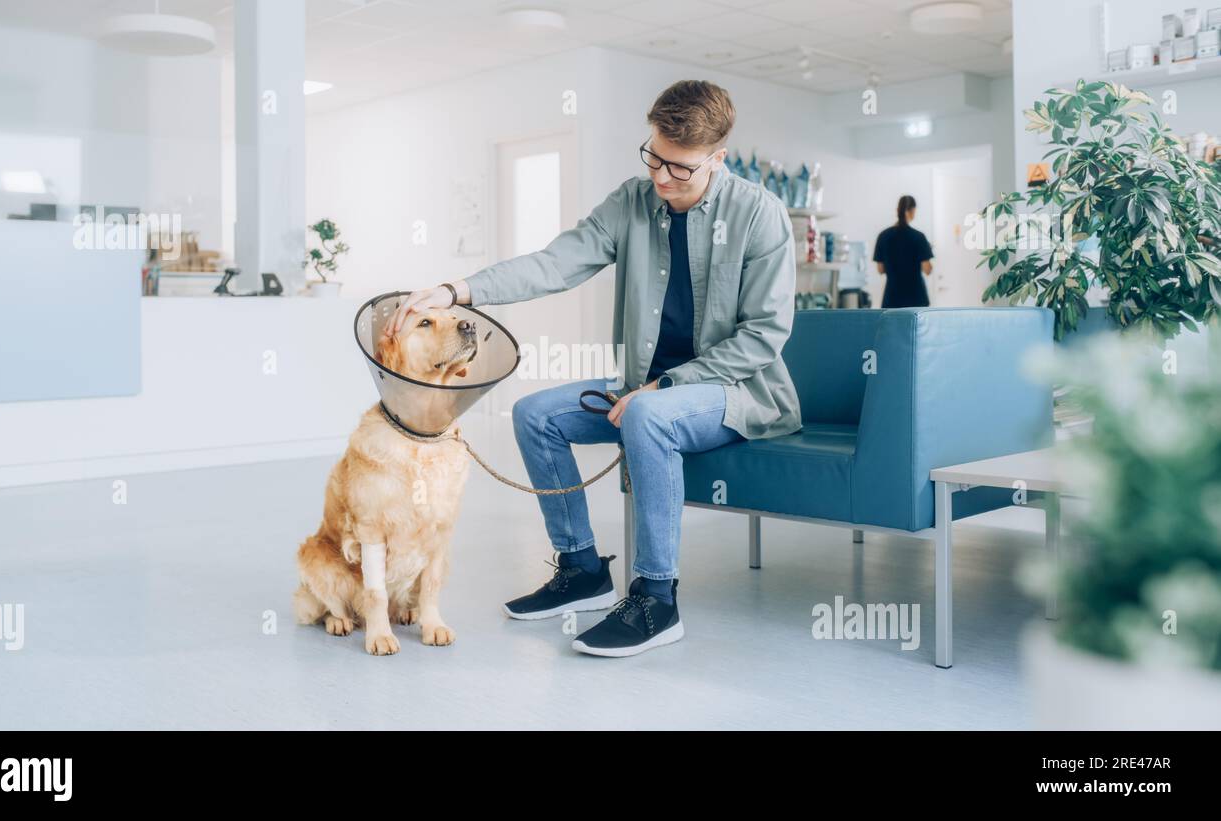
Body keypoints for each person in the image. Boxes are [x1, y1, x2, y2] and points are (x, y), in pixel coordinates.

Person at [386, 80, 799, 657]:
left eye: (679, 168)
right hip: (644, 387)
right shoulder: (632, 202)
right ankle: (582, 570)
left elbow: (764, 336)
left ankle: (657, 598)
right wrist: (458, 291)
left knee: (650, 414)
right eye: (654, 156)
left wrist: (665, 384)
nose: (661, 178)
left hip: (734, 392)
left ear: (717, 158)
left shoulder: (760, 214)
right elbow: (554, 263)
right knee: (535, 415)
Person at [873, 195, 934, 308]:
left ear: (897, 210)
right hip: (916, 298)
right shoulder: (919, 237)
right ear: (912, 211)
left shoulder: (883, 236)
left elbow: (880, 270)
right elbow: (928, 270)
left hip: (892, 298)